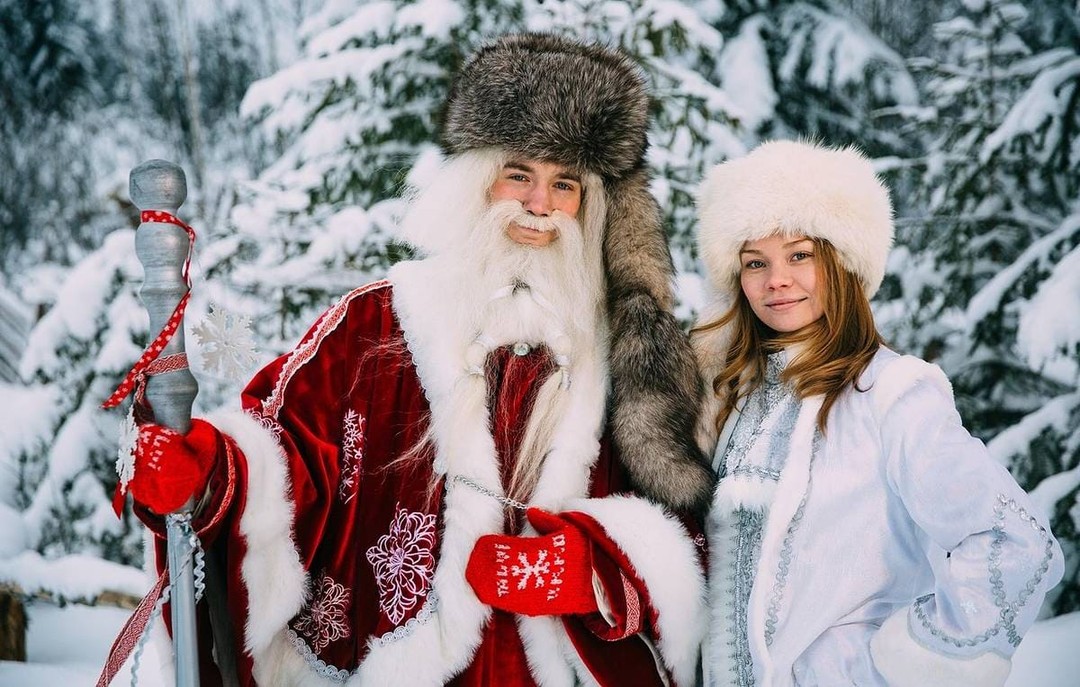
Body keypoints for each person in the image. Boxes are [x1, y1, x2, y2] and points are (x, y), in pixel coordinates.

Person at [117, 34, 716, 687]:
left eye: (563, 182)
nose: (539, 205)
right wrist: (207, 471)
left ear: (592, 202)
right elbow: (288, 454)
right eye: (520, 173)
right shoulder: (376, 323)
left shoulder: (638, 360)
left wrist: (593, 570)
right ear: (478, 178)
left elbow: (696, 535)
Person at [690, 139, 1064, 687]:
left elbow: (1017, 545)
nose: (777, 280)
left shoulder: (891, 393)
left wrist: (883, 662)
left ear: (841, 262)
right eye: (755, 262)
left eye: (800, 255)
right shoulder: (730, 398)